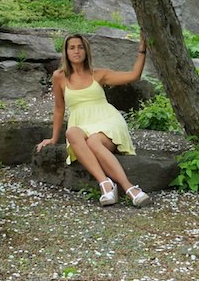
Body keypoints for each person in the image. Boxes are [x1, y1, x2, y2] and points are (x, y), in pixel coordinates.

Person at [36, 33, 151, 207]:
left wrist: (142, 50)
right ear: (66, 52)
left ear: (86, 51)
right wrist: (53, 138)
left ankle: (129, 188)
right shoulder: (59, 77)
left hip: (107, 120)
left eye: (80, 47)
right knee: (71, 132)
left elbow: (133, 76)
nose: (76, 51)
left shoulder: (98, 74)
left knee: (94, 142)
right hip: (81, 123)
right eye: (72, 47)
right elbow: (59, 108)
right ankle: (105, 183)